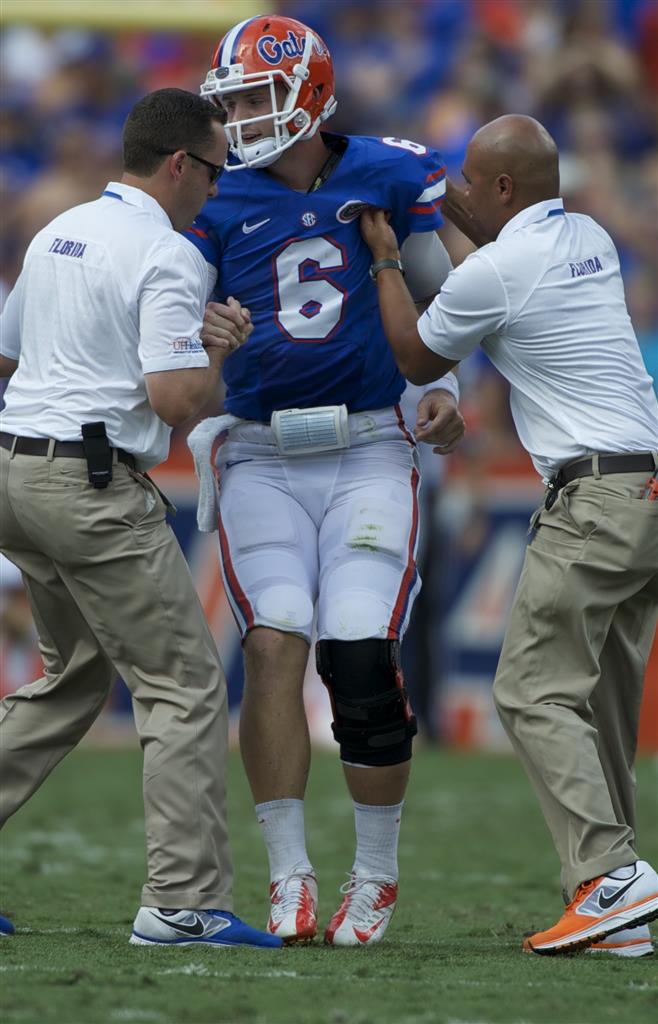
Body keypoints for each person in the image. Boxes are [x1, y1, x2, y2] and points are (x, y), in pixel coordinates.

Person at [186, 13, 465, 946]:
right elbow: (170, 320)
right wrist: (200, 336)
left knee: (359, 653)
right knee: (273, 643)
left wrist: (452, 386)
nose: (244, 117)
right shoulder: (214, 199)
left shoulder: (388, 171)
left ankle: (375, 876)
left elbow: (445, 298)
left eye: (259, 95)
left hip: (369, 446)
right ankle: (290, 875)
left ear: (309, 94)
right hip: (261, 448)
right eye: (234, 102)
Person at [359, 112, 658, 958]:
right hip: (646, 484)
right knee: (598, 705)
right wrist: (433, 179)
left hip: (594, 498)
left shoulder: (501, 265)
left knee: (530, 689)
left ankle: (610, 880)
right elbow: (489, 236)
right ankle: (616, 902)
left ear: (497, 187)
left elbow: (418, 355)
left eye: (466, 176)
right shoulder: (587, 232)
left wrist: (387, 252)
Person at [0, 88, 281, 950]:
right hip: (91, 489)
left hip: (17, 471)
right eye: (216, 167)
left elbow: (14, 346)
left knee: (74, 677)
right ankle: (183, 901)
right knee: (186, 687)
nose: (219, 184)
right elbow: (176, 398)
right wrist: (216, 347)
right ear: (179, 165)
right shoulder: (169, 255)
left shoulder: (61, 229)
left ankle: (184, 897)